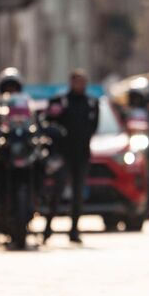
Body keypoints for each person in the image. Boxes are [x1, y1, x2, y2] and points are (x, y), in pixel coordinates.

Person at [43, 69, 99, 243]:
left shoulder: (91, 102)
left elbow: (93, 127)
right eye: (77, 81)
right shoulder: (60, 101)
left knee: (78, 194)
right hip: (63, 154)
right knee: (57, 190)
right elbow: (48, 122)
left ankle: (74, 231)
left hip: (82, 154)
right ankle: (47, 229)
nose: (80, 85)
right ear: (71, 82)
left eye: (83, 82)